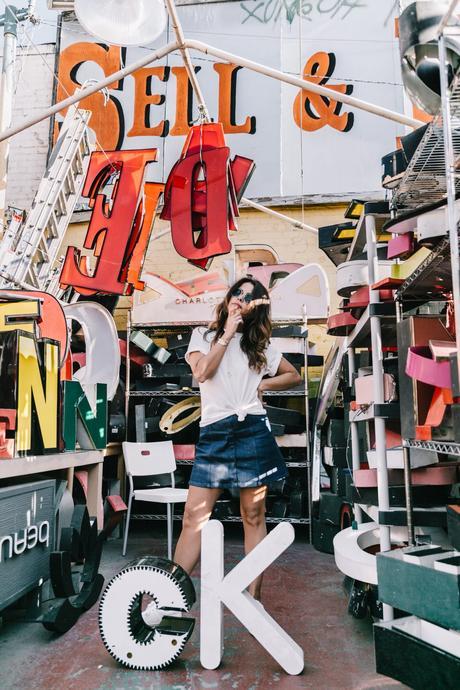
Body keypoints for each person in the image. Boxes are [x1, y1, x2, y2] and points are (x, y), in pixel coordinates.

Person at [172, 276, 302, 602]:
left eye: (249, 297)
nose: (240, 299)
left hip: (252, 430)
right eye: (237, 293)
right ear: (229, 298)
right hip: (215, 433)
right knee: (194, 516)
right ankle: (170, 596)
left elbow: (294, 375)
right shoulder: (202, 337)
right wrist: (227, 333)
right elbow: (202, 373)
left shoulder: (260, 346)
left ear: (255, 308)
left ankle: (252, 598)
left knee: (253, 515)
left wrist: (264, 387)